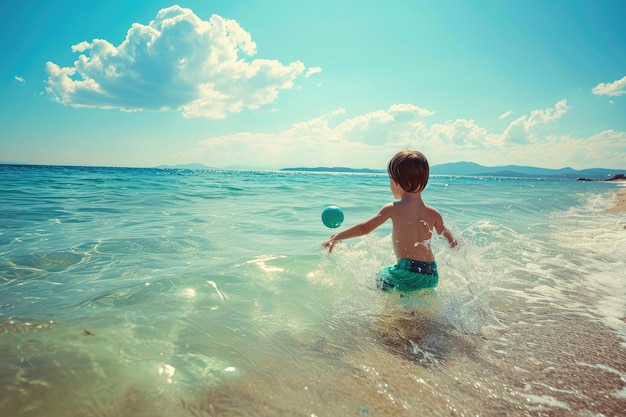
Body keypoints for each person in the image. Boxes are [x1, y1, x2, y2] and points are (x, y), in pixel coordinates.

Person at [322, 149, 457, 293]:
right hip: (431, 273)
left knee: (372, 282)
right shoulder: (433, 213)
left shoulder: (393, 208)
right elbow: (452, 242)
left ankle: (393, 315)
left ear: (396, 182)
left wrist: (337, 236)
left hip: (407, 271)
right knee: (410, 294)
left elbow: (364, 228)